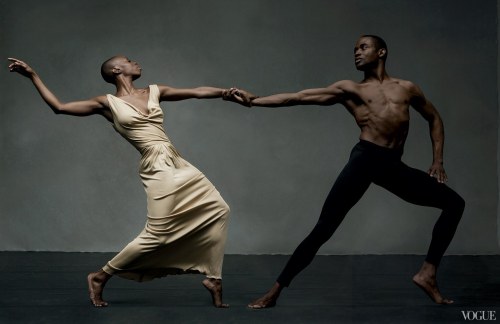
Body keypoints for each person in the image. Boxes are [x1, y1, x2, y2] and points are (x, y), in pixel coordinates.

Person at [226, 35, 465, 308]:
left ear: (382, 52)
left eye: (363, 47)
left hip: (392, 166)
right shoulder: (350, 89)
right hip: (365, 160)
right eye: (354, 50)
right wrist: (254, 101)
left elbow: (434, 117)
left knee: (454, 204)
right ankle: (274, 291)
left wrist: (438, 161)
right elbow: (299, 97)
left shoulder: (407, 88)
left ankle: (428, 273)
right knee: (324, 229)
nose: (357, 53)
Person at [8, 55, 233, 308]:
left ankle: (214, 278)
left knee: (219, 209)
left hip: (177, 162)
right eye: (128, 60)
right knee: (158, 233)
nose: (136, 62)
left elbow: (197, 92)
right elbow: (59, 107)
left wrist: (227, 92)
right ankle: (100, 276)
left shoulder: (154, 91)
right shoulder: (107, 103)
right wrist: (33, 76)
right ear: (116, 70)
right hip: (155, 165)